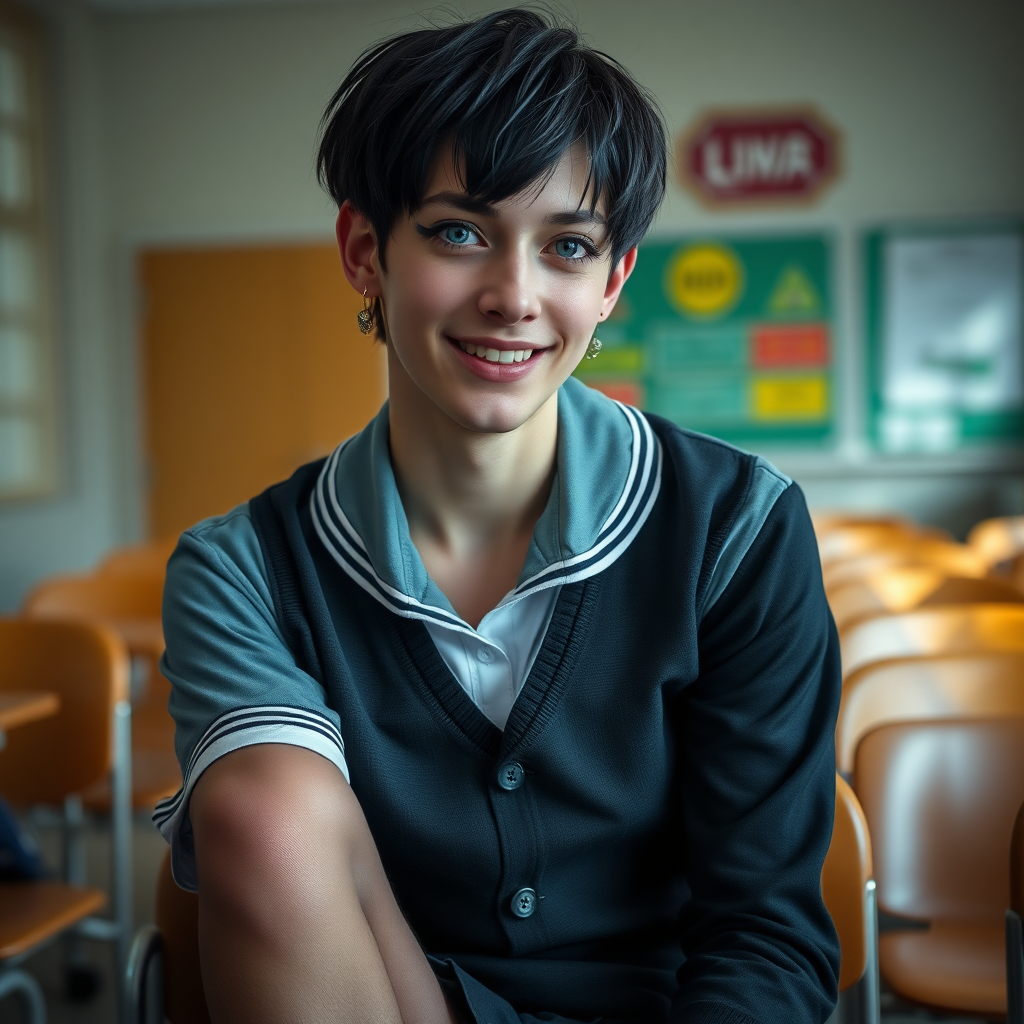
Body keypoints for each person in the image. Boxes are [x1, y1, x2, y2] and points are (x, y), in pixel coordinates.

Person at [154, 9, 841, 1023]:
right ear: (362, 251)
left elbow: (765, 935)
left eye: (566, 246)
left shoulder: (736, 527)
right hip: (382, 999)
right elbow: (283, 859)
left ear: (612, 283)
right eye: (459, 232)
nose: (513, 295)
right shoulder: (242, 569)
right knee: (258, 808)